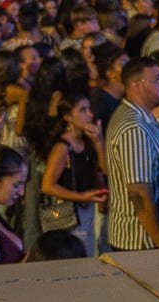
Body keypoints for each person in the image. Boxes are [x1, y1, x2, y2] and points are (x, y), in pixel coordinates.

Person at [104, 57, 159, 251]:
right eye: (157, 80)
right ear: (136, 85)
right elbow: (139, 193)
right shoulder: (134, 128)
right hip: (142, 243)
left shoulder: (143, 119)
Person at [33, 92, 108, 255]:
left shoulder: (87, 141)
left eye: (89, 109)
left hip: (87, 211)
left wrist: (98, 142)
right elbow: (47, 185)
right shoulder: (62, 147)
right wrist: (81, 196)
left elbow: (104, 170)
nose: (90, 114)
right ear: (68, 117)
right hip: (68, 215)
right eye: (83, 110)